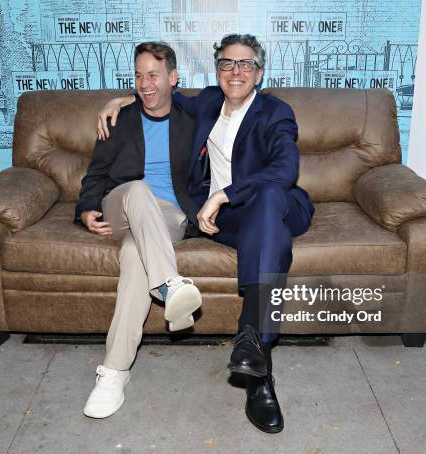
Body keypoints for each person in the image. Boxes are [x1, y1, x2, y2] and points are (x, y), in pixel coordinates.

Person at [97, 34, 314, 433]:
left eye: (245, 64)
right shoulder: (209, 101)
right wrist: (120, 100)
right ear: (217, 71)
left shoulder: (275, 112)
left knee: (266, 202)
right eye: (227, 64)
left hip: (271, 206)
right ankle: (256, 354)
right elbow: (159, 93)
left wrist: (223, 195)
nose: (236, 71)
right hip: (229, 223)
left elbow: (284, 173)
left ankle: (256, 361)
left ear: (259, 73)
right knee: (272, 243)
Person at [76, 42, 203, 419]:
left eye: (153, 75)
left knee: (135, 255)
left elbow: (229, 95)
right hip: (122, 202)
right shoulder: (121, 118)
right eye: (138, 75)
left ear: (173, 78)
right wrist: (86, 209)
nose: (145, 84)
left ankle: (114, 373)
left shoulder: (192, 117)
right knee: (138, 188)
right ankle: (170, 285)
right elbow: (96, 172)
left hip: (166, 216)